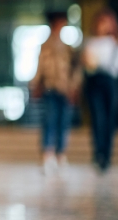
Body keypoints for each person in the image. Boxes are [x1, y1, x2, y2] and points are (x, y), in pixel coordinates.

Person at [30, 11, 80, 174]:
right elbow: (40, 67)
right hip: (49, 88)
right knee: (49, 121)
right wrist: (36, 85)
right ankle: (48, 155)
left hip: (65, 90)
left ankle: (61, 155)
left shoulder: (68, 48)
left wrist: (74, 87)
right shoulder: (45, 46)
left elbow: (76, 70)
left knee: (63, 122)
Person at [82, 7, 118, 172]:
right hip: (94, 82)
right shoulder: (90, 41)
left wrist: (99, 64)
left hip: (109, 82)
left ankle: (106, 156)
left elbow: (116, 66)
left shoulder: (116, 42)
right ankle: (98, 153)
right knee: (97, 119)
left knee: (108, 120)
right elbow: (87, 65)